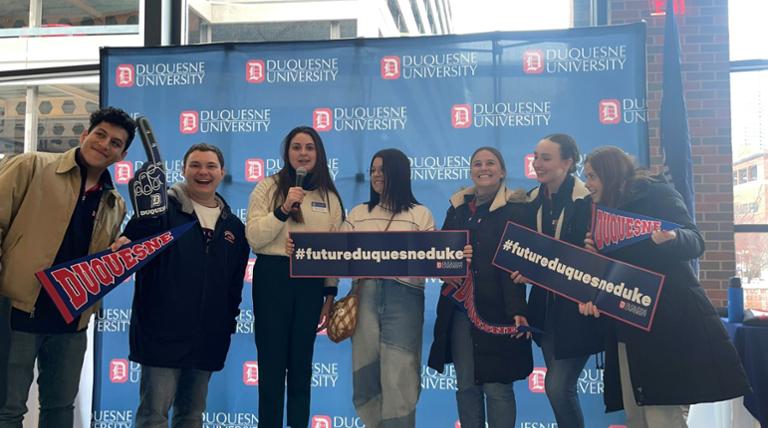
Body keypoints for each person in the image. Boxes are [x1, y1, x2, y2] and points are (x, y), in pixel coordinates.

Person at [579, 146, 749, 428]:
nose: (588, 184)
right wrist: (596, 267)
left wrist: (673, 238)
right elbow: (613, 269)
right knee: (636, 417)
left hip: (666, 321)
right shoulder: (599, 212)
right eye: (586, 176)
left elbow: (695, 241)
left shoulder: (656, 193)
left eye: (593, 176)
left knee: (664, 418)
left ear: (610, 174)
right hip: (626, 325)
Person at [0, 107, 136, 428]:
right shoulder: (31, 166)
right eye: (100, 134)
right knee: (7, 410)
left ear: (122, 154)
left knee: (60, 409)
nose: (104, 144)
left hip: (71, 322)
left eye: (115, 142)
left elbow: (98, 264)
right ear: (84, 135)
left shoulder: (115, 203)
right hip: (15, 312)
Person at [113, 143, 249, 428]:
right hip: (161, 335)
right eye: (196, 165)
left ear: (222, 172)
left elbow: (234, 287)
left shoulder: (234, 227)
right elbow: (132, 242)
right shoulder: (161, 213)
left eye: (211, 166)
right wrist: (126, 241)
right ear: (184, 170)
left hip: (207, 339)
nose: (203, 172)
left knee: (191, 417)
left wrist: (225, 327)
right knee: (153, 417)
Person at [246, 126, 344, 428]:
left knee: (301, 367)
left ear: (319, 154)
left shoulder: (329, 196)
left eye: (309, 148)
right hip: (273, 280)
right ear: (287, 153)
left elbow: (335, 250)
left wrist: (329, 294)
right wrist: (283, 209)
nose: (303, 153)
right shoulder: (268, 187)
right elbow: (254, 238)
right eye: (297, 147)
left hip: (310, 286)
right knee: (272, 367)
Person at [428, 147, 533, 428]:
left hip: (499, 311)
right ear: (471, 170)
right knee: (466, 386)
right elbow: (441, 255)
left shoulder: (517, 211)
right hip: (460, 314)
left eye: (490, 163)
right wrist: (443, 270)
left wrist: (518, 312)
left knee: (497, 388)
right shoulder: (457, 209)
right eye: (477, 163)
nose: (483, 168)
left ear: (502, 171)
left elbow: (517, 267)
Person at [511, 133, 603, 428]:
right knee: (560, 390)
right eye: (536, 156)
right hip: (546, 314)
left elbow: (588, 261)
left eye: (546, 158)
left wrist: (536, 271)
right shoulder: (531, 200)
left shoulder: (587, 202)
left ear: (568, 162)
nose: (537, 163)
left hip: (579, 312)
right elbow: (527, 254)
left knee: (558, 387)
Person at [344, 148, 434, 427]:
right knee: (366, 377)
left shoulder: (420, 215)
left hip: (405, 299)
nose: (376, 176)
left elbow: (431, 262)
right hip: (365, 297)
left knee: (401, 377)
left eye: (382, 169)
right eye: (372, 170)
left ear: (399, 172)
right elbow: (334, 257)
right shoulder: (357, 214)